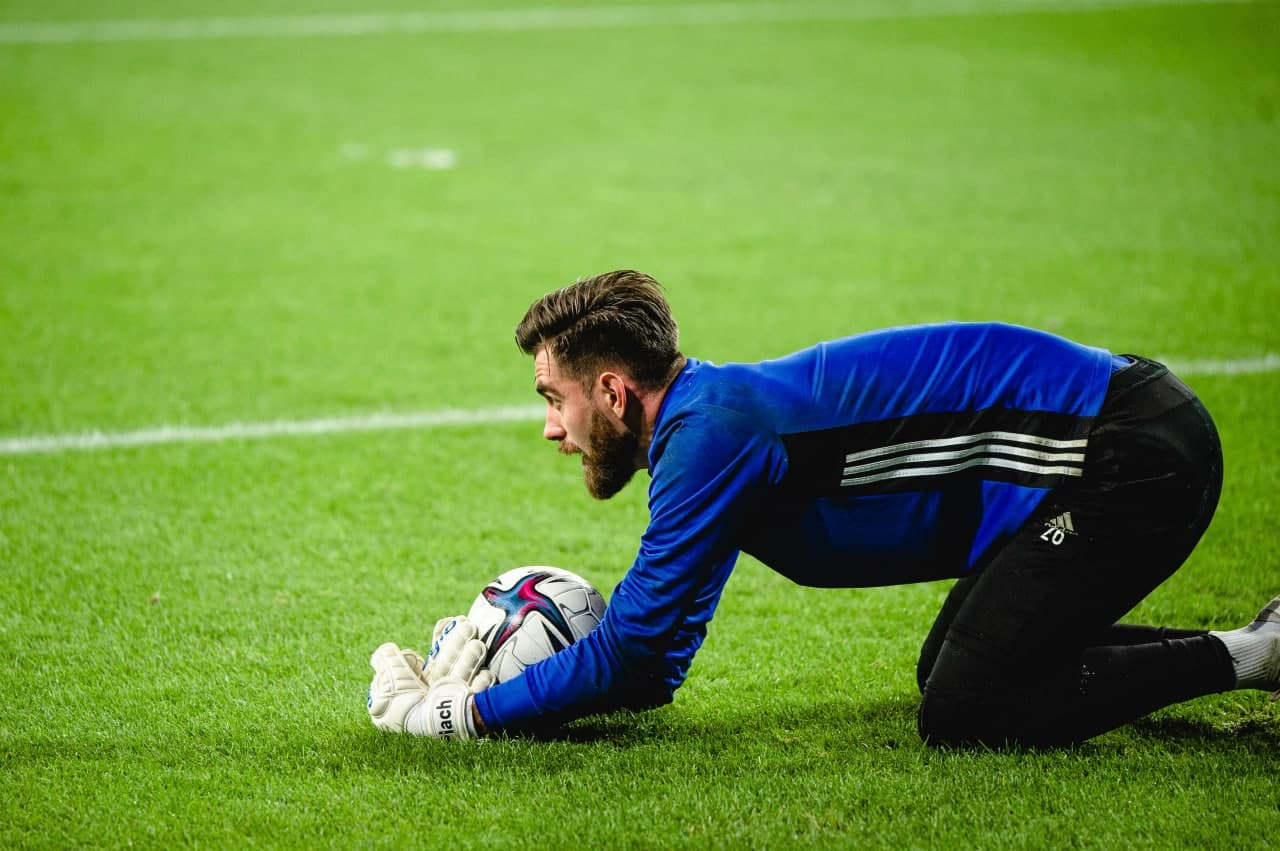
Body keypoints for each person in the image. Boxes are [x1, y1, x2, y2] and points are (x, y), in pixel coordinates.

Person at [367, 270, 1279, 746]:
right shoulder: (705, 426)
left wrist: (467, 714)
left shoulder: (713, 435)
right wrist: (514, 689)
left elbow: (637, 652)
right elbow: (659, 657)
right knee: (950, 668)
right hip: (1107, 446)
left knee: (970, 705)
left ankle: (1256, 652)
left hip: (1130, 455)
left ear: (610, 390)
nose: (550, 428)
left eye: (552, 399)